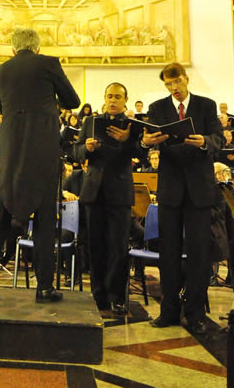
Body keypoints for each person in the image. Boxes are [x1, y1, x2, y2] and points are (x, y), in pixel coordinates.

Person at [0, 27, 80, 302]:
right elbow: (73, 101)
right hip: (42, 148)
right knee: (45, 217)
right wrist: (49, 102)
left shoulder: (1, 70)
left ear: (12, 50)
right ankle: (45, 288)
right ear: (38, 48)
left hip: (12, 148)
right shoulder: (49, 64)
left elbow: (3, 104)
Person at [143, 62, 223, 334]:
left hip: (199, 189)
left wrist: (205, 143)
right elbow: (150, 139)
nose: (173, 88)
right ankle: (169, 311)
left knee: (200, 254)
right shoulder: (157, 108)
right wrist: (148, 142)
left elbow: (219, 138)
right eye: (168, 84)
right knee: (169, 253)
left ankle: (196, 313)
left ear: (186, 79)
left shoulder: (206, 105)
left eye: (177, 82)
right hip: (171, 188)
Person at [75, 82, 139, 314]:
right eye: (109, 96)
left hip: (119, 191)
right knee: (96, 245)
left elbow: (141, 152)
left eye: (117, 97)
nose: (113, 100)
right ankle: (98, 295)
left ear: (125, 100)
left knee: (118, 246)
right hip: (93, 190)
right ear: (104, 98)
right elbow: (75, 149)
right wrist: (86, 149)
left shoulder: (133, 125)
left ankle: (116, 296)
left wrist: (127, 141)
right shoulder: (90, 122)